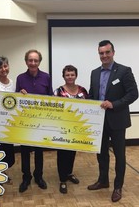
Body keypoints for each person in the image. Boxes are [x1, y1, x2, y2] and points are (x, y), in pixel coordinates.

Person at [87, 40, 139, 202]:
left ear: (113, 52)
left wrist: (114, 104)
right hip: (99, 122)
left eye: (107, 52)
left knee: (119, 155)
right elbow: (92, 94)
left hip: (117, 121)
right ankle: (103, 181)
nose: (104, 56)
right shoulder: (94, 72)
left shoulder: (124, 71)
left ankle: (118, 186)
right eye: (101, 53)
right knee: (101, 153)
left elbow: (133, 94)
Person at [16, 49, 54, 193]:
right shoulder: (20, 78)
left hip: (41, 121)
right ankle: (26, 177)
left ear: (39, 62)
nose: (33, 63)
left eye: (35, 60)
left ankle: (39, 176)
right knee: (25, 151)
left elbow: (50, 96)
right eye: (30, 60)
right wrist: (19, 95)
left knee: (39, 151)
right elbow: (16, 99)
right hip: (25, 121)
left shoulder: (46, 77)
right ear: (26, 61)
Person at [54, 65, 88, 194]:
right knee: (62, 153)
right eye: (67, 75)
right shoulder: (58, 91)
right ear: (64, 76)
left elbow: (89, 107)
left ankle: (69, 173)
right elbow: (54, 109)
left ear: (76, 75)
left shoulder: (83, 90)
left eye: (72, 74)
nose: (70, 77)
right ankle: (62, 179)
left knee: (72, 152)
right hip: (62, 128)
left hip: (77, 129)